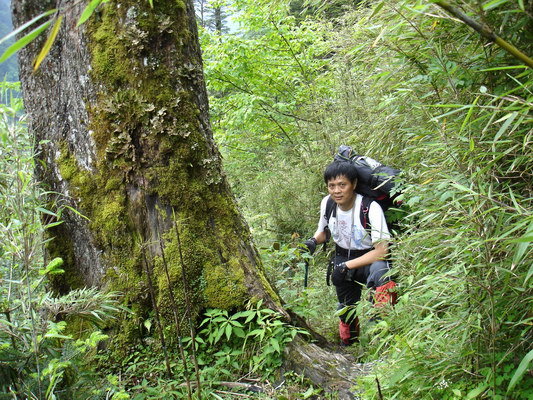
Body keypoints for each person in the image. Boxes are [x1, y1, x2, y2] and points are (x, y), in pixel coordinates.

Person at [302, 160, 396, 346]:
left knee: (382, 275)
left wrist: (346, 266)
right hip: (342, 256)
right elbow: (324, 231)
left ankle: (381, 340)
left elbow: (382, 251)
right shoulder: (327, 203)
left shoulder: (370, 207)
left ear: (353, 184)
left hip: (370, 258)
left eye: (342, 185)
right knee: (346, 308)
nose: (337, 191)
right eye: (332, 186)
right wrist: (313, 241)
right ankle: (349, 345)